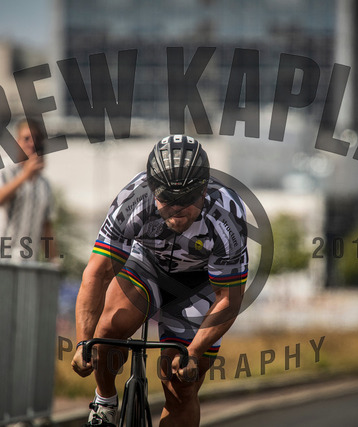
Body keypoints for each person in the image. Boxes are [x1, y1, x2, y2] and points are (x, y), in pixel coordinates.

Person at [71, 135, 249, 427]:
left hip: (200, 284)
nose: (177, 210)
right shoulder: (133, 199)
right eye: (167, 199)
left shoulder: (227, 214)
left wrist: (193, 352)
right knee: (108, 332)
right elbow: (97, 273)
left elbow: (229, 299)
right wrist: (83, 342)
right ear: (152, 190)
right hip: (147, 265)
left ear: (203, 190)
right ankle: (105, 402)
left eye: (186, 200)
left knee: (180, 385)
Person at [0, 118, 56, 263]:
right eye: (26, 138)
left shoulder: (44, 184)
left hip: (25, 262)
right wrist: (25, 175)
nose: (32, 143)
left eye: (36, 139)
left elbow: (46, 226)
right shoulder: (1, 170)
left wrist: (53, 259)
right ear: (17, 141)